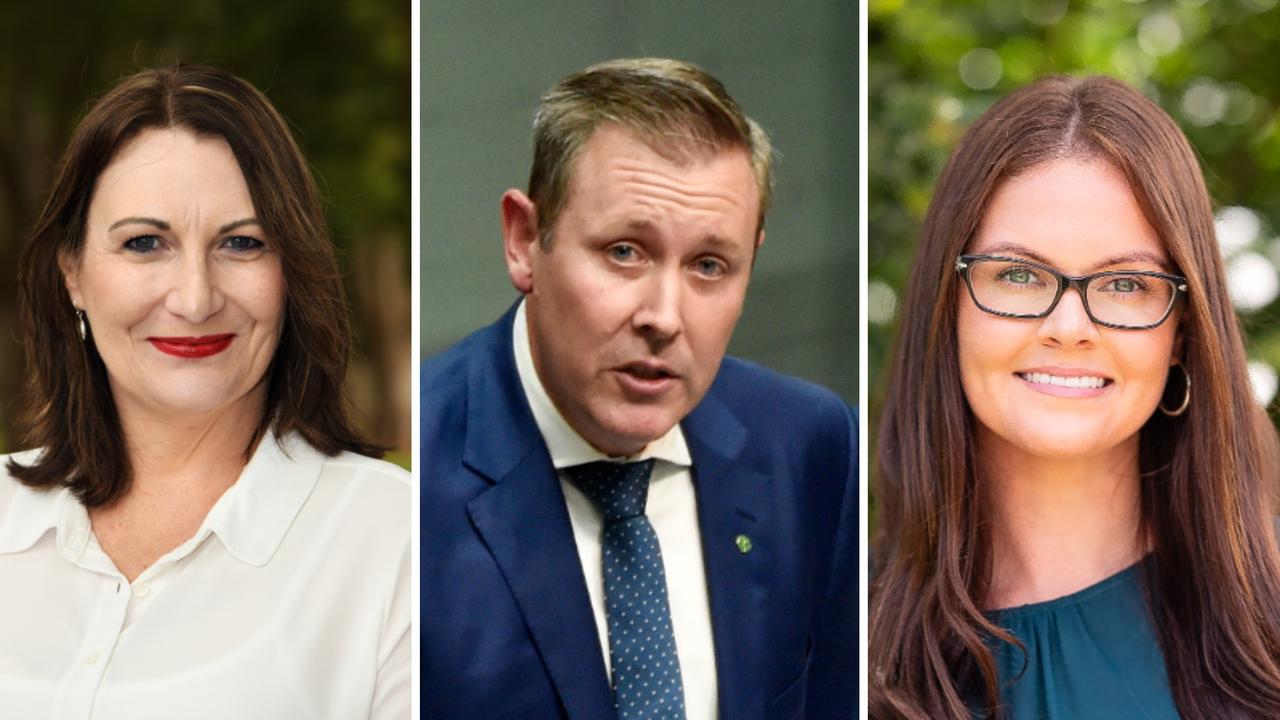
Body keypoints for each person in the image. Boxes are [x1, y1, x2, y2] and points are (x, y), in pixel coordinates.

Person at [422, 58, 858, 719]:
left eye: (710, 266)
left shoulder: (811, 446)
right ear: (523, 241)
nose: (664, 315)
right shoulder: (404, 486)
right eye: (626, 251)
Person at [0, 65, 410, 718]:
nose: (195, 298)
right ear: (72, 273)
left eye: (242, 244)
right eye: (144, 243)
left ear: (291, 270)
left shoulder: (395, 538)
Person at [869, 75, 1280, 719]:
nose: (1068, 329)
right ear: (946, 307)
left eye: (1124, 285)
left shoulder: (1271, 615)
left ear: (1182, 332)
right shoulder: (843, 637)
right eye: (1018, 274)